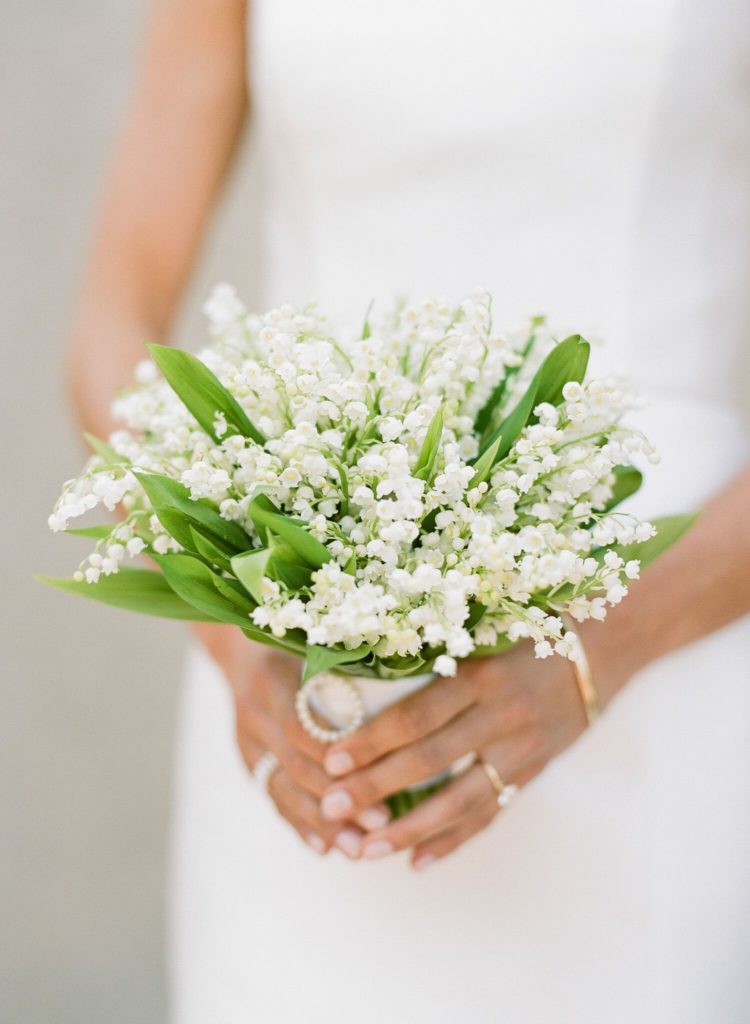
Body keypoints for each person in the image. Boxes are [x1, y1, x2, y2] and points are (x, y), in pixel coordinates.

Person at [70, 1, 750, 1021]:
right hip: (307, 703)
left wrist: (597, 652)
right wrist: (231, 638)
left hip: (667, 649)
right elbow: (112, 319)